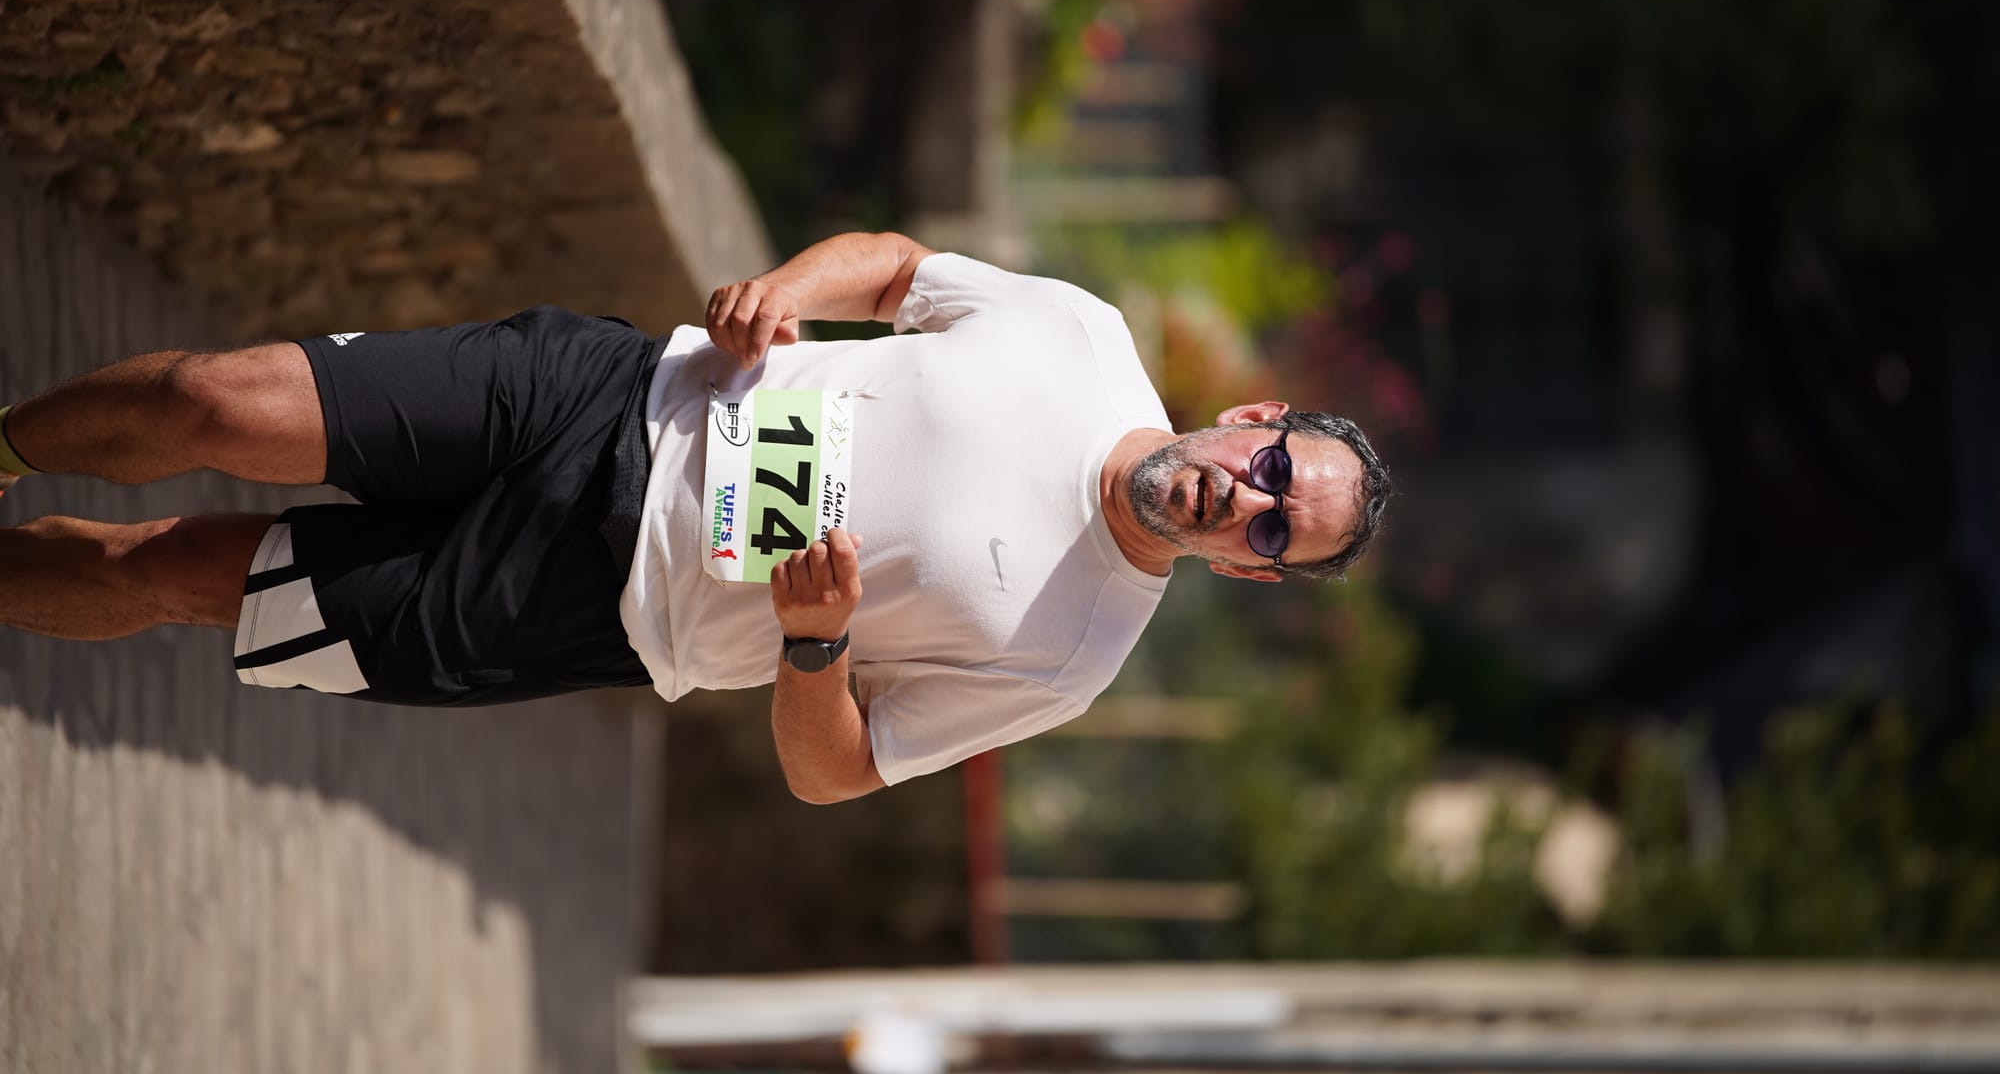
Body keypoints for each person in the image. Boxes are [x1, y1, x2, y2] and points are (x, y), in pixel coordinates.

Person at [0, 231, 1390, 802]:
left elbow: (834, 770)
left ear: (1257, 575)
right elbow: (900, 269)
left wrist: (815, 645)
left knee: (178, 569)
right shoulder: (1083, 338)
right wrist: (783, 291)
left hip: (570, 604)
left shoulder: (1074, 653)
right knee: (210, 400)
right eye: (1275, 476)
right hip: (605, 394)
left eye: (1277, 532)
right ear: (1257, 421)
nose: (1249, 503)